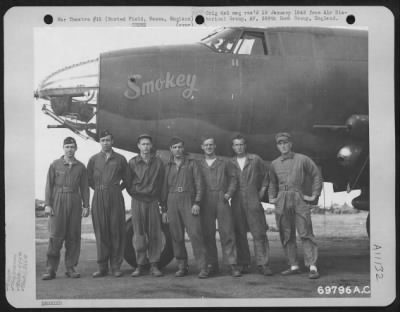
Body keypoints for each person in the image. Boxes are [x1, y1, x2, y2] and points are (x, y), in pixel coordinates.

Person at [268, 132, 323, 279]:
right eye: (280, 143)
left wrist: (314, 194)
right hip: (282, 200)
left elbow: (316, 174)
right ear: (277, 146)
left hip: (299, 197)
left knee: (305, 232)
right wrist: (272, 197)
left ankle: (312, 266)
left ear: (290, 144)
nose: (283, 145)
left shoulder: (303, 159)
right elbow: (272, 182)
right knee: (286, 234)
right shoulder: (274, 163)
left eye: (285, 142)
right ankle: (293, 265)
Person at [42, 137, 90, 280]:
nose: (70, 149)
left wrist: (86, 205)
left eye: (72, 147)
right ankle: (50, 269)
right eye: (67, 146)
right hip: (58, 200)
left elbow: (85, 188)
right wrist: (47, 204)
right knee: (55, 235)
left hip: (75, 200)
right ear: (63, 148)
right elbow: (48, 185)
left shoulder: (81, 167)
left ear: (76, 149)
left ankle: (71, 268)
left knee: (73, 236)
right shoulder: (55, 164)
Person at [161, 136, 208, 278]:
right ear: (170, 149)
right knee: (176, 236)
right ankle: (182, 266)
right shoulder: (167, 165)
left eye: (180, 147)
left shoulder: (192, 163)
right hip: (172, 199)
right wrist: (164, 209)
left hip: (188, 199)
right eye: (174, 147)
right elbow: (163, 188)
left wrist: (197, 202)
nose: (178, 150)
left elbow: (200, 184)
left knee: (195, 234)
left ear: (183, 148)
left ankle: (203, 267)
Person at [87, 130, 130, 278]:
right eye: (103, 140)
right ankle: (102, 267)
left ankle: (116, 266)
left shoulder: (120, 159)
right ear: (100, 142)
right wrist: (100, 189)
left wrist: (116, 188)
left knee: (116, 231)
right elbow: (89, 179)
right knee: (101, 231)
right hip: (98, 196)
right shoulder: (93, 159)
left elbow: (128, 179)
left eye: (108, 140)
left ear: (113, 141)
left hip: (115, 196)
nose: (106, 142)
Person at [198, 136, 241, 277]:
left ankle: (232, 264)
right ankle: (212, 265)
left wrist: (229, 193)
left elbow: (234, 178)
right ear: (202, 147)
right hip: (206, 200)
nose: (209, 147)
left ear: (215, 146)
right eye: (206, 145)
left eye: (211, 145)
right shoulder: (199, 164)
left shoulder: (224, 162)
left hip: (222, 198)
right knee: (207, 233)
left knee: (227, 231)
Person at [229, 134, 272, 276]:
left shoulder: (255, 159)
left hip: (253, 197)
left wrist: (263, 190)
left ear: (245, 145)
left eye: (241, 144)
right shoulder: (230, 162)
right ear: (233, 147)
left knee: (259, 232)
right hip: (236, 200)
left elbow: (266, 175)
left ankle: (263, 264)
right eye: (236, 145)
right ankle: (244, 263)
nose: (239, 147)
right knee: (239, 233)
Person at [127, 134, 165, 277]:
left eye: (148, 144)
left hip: (153, 201)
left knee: (155, 234)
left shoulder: (159, 163)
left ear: (151, 146)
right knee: (139, 234)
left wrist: (162, 204)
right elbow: (128, 183)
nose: (146, 147)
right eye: (143, 144)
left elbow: (161, 184)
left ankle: (154, 265)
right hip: (138, 201)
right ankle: (140, 265)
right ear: (138, 146)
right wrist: (137, 195)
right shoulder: (132, 163)